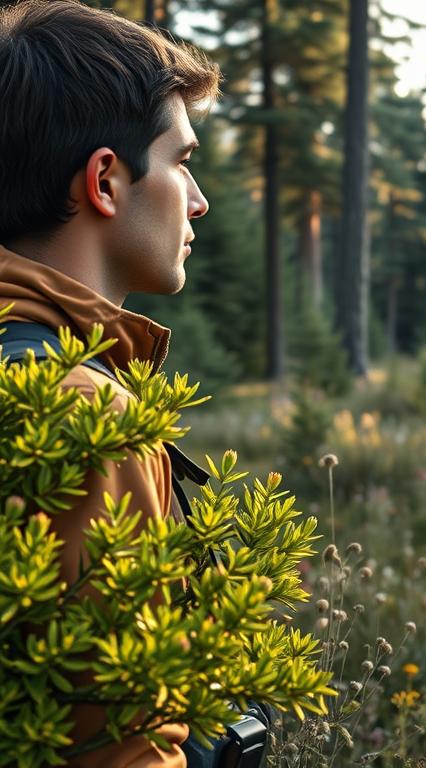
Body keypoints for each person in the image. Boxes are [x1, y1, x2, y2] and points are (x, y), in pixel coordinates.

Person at [0, 1, 220, 765]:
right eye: (182, 161)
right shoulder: (86, 412)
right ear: (105, 181)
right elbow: (118, 745)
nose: (198, 201)